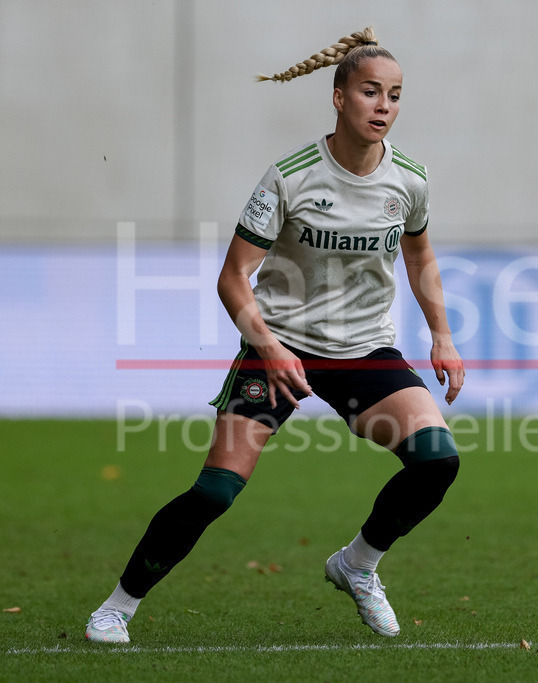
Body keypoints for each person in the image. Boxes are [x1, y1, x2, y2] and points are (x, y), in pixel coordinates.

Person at [86, 27, 464, 642]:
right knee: (215, 492)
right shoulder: (290, 177)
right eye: (370, 92)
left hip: (364, 350)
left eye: (394, 96)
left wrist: (442, 335)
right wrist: (270, 347)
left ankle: (357, 564)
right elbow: (233, 278)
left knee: (437, 460)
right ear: (339, 97)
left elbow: (420, 255)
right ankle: (116, 607)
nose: (384, 107)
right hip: (279, 344)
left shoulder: (410, 181)